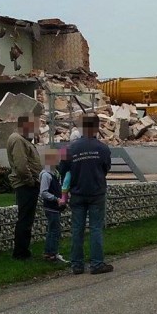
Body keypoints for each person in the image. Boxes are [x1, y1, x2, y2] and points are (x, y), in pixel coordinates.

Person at [59, 113, 113, 275]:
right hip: (96, 192)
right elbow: (106, 168)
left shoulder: (69, 149)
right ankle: (97, 264)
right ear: (96, 127)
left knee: (77, 229)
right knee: (96, 228)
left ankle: (77, 264)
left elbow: (62, 170)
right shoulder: (102, 148)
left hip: (77, 193)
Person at [6, 114, 43, 260]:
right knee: (25, 219)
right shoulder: (18, 140)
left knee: (27, 219)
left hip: (28, 184)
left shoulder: (23, 140)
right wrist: (30, 181)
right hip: (25, 185)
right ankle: (21, 253)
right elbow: (21, 166)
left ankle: (23, 250)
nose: (37, 130)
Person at [39, 148, 68, 263]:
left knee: (52, 229)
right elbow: (43, 192)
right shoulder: (46, 175)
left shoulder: (53, 173)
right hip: (52, 207)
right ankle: (53, 253)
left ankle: (49, 252)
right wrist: (56, 199)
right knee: (55, 230)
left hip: (53, 207)